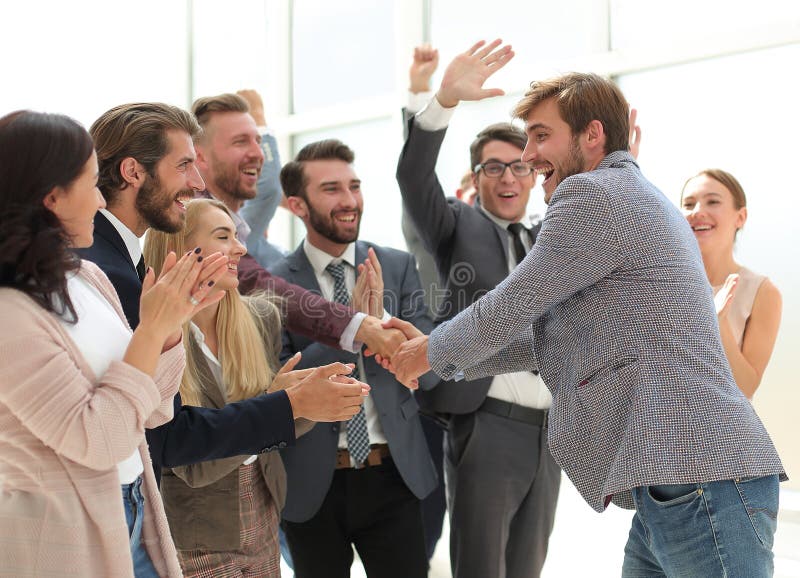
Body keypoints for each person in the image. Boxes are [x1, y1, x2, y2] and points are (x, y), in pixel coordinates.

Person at [386, 40, 785, 577]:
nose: (527, 158)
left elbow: (516, 302)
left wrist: (431, 351)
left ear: (592, 135)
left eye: (541, 136)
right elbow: (546, 335)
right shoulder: (624, 193)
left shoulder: (595, 195)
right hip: (672, 479)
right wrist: (433, 354)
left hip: (699, 475)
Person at [77, 102, 370, 483]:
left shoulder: (124, 263)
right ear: (133, 172)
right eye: (183, 165)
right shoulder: (106, 271)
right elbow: (165, 437)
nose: (198, 182)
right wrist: (289, 404)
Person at [0, 110, 226, 576]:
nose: (102, 202)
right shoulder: (9, 314)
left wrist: (167, 334)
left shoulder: (87, 277)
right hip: (61, 540)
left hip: (137, 511)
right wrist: (148, 332)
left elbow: (153, 412)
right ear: (52, 197)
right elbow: (99, 440)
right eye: (91, 185)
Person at [397, 44, 559, 578]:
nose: (508, 179)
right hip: (485, 422)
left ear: (534, 175)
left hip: (552, 430)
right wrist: (439, 101)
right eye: (494, 168)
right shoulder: (455, 227)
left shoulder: (551, 238)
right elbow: (415, 180)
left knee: (527, 567)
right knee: (481, 568)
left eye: (519, 168)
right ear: (477, 176)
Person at [144, 198, 364, 577]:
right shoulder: (156, 335)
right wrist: (277, 405)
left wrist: (302, 401)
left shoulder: (260, 317)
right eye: (223, 235)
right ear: (180, 248)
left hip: (264, 513)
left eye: (237, 235)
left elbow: (283, 425)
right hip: (194, 535)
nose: (241, 248)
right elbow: (190, 467)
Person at [270, 139, 438, 578]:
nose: (349, 201)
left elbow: (432, 365)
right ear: (297, 204)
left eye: (355, 186)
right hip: (313, 484)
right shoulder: (276, 285)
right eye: (331, 189)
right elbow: (280, 379)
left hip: (394, 474)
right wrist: (355, 326)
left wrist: (383, 324)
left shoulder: (397, 267)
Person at [680, 169, 782, 399]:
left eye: (713, 201)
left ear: (740, 217)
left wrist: (719, 322)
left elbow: (746, 388)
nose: (698, 212)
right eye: (688, 204)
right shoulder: (665, 282)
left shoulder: (763, 292)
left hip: (720, 430)